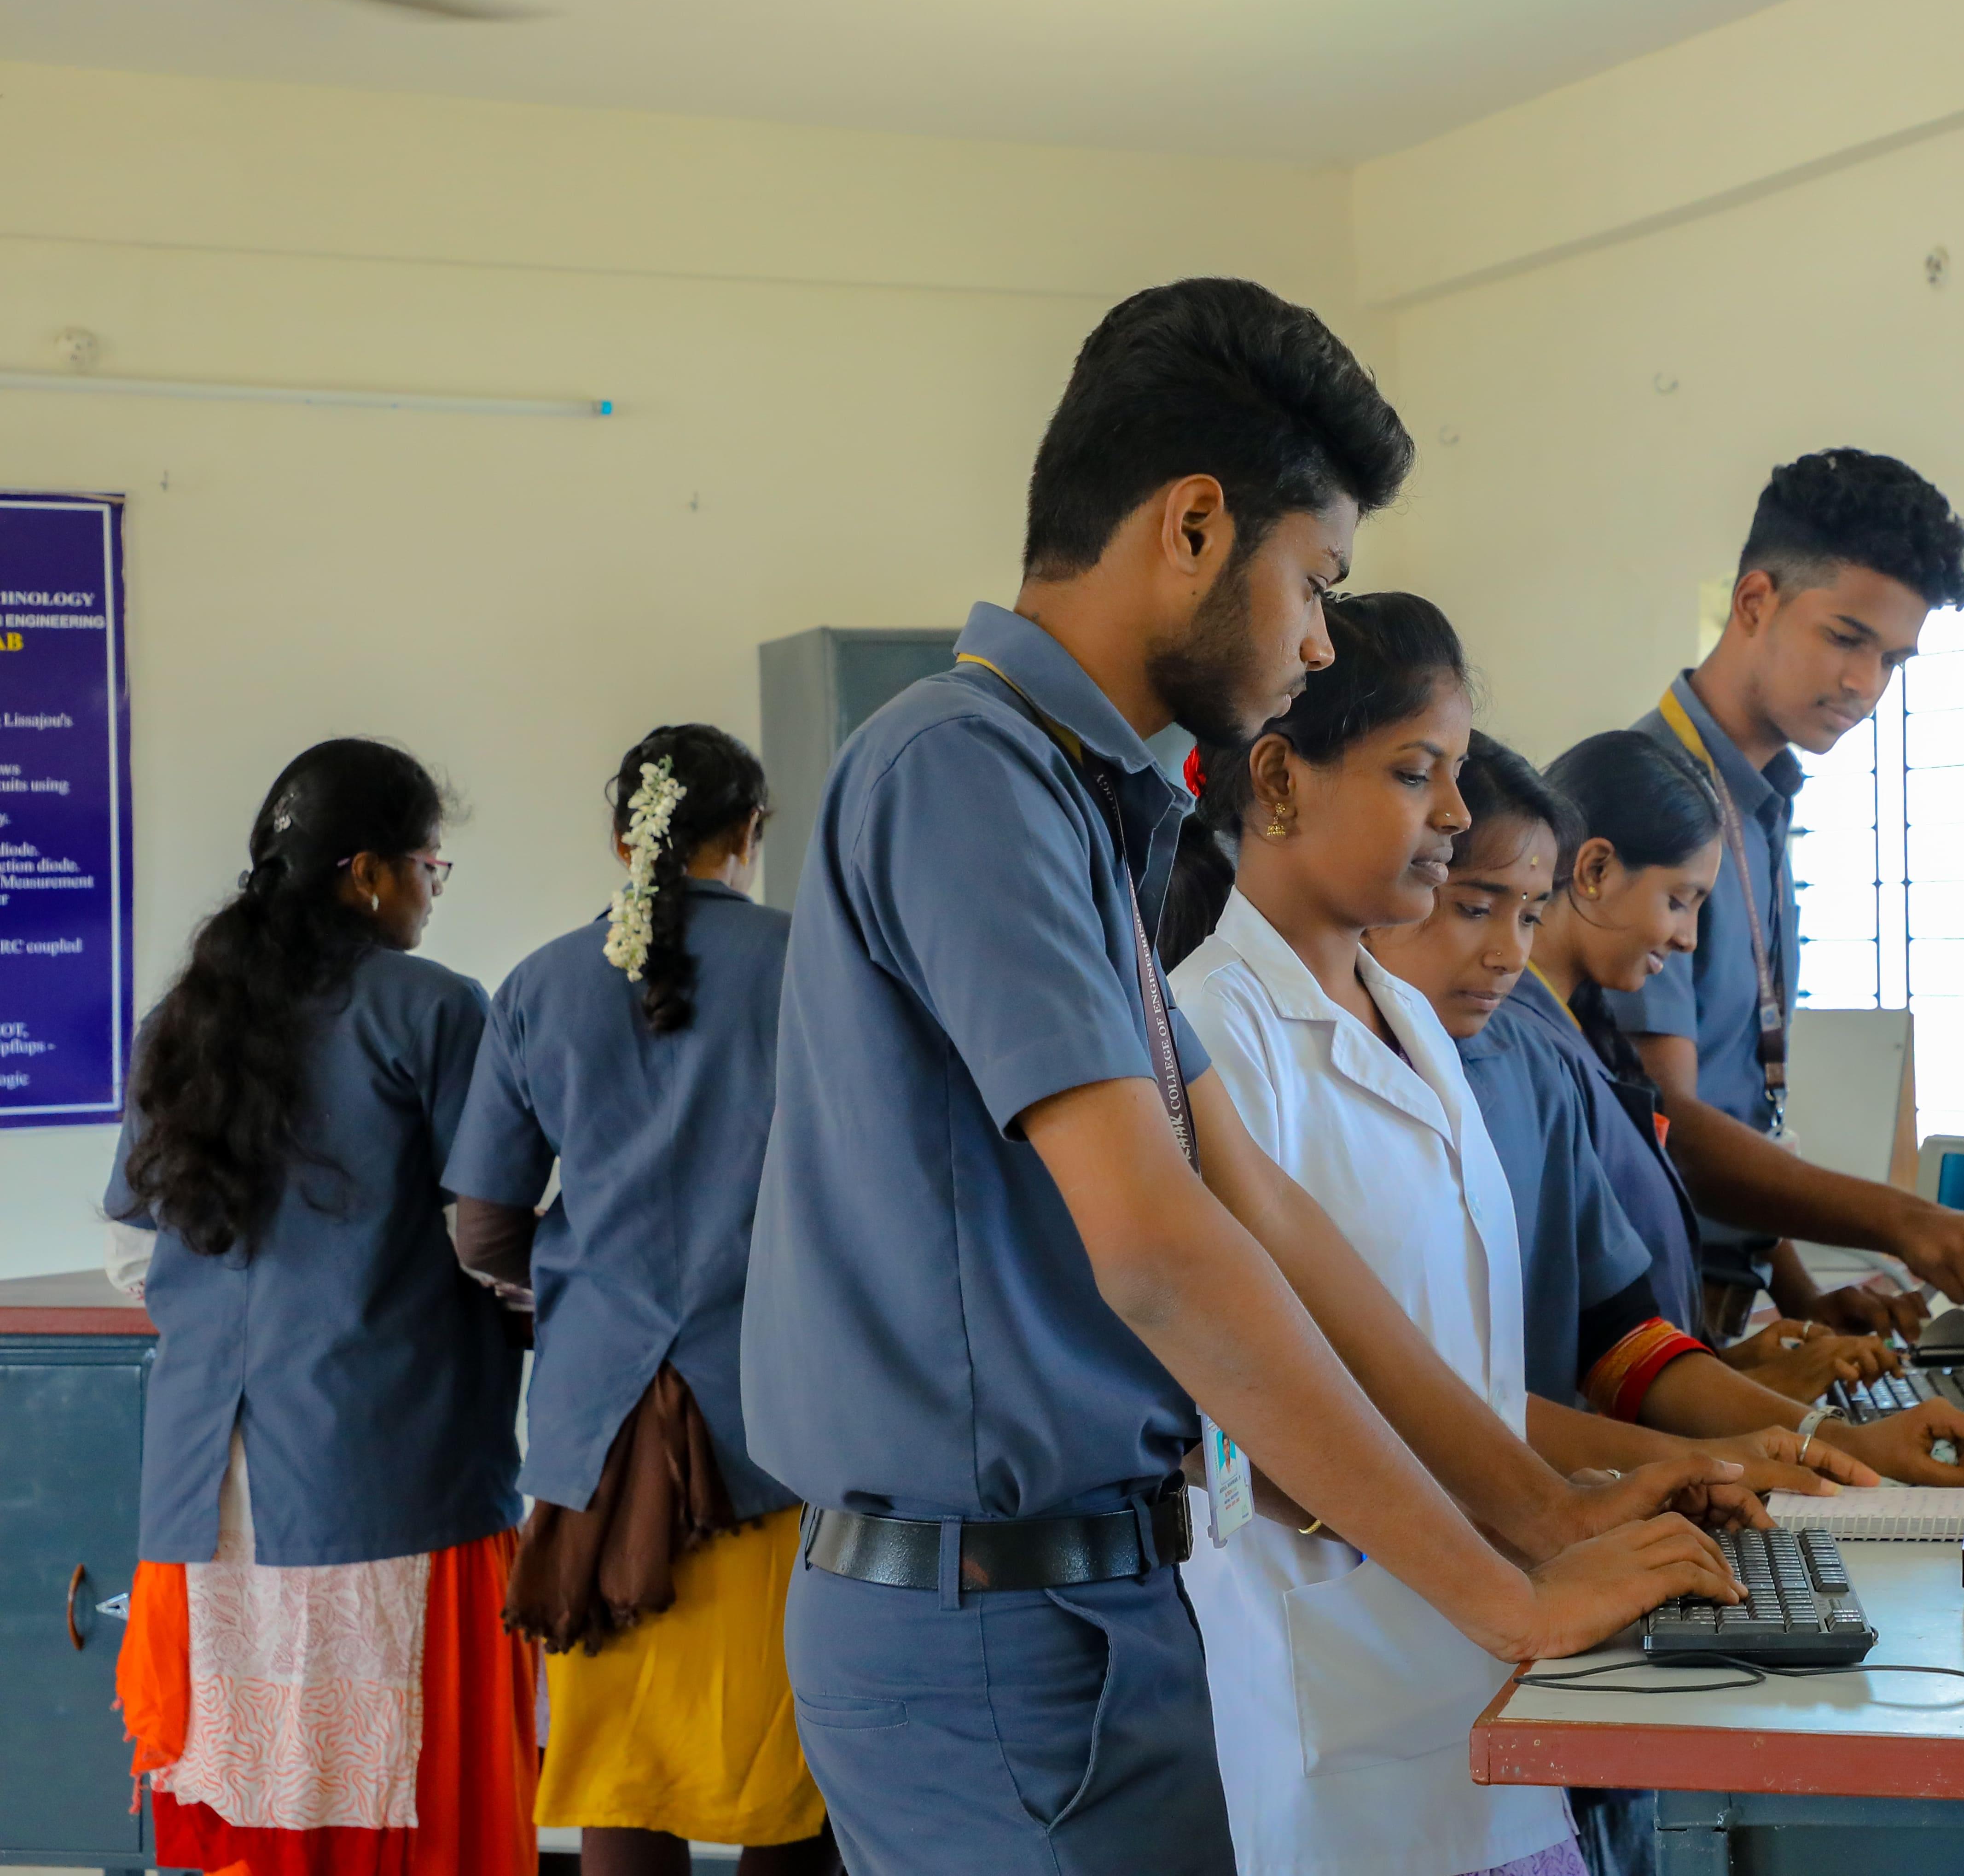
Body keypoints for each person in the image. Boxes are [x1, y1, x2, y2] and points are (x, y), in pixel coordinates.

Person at [741, 279, 1736, 1876]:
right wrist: (1503, 1591)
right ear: (1196, 529)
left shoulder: (1085, 807)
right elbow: (1159, 1248)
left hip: (1091, 1608)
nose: (1320, 639)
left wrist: (1546, 1519)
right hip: (991, 1622)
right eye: (1314, 582)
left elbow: (1254, 1209)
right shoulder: (963, 768)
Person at [1160, 594, 1813, 1876]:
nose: (1456, 816)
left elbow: (1453, 1373)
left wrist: (1573, 1500)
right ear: (1280, 782)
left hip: (1482, 1676)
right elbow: (1253, 1418)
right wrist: (1533, 1537)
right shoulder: (1210, 1033)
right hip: (1342, 1708)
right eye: (1419, 774)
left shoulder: (1417, 1029)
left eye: (1458, 777)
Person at [103, 738, 536, 1876]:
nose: (433, 893)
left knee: (252, 1805)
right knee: (400, 1808)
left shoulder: (185, 1018)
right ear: (366, 873)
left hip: (209, 1486)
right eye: (429, 867)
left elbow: (129, 1247)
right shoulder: (433, 1009)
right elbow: (492, 1235)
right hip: (380, 1470)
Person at [1380, 732, 1964, 1489]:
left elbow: (1616, 1336)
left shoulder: (1533, 1066)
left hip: (1555, 1494)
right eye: (1474, 907)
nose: (1509, 954)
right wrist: (1748, 1451)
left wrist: (1812, 1436)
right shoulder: (1361, 1070)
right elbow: (1419, 1403)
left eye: (1532, 917)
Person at [444, 725, 832, 1876]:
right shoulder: (811, 962)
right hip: (780, 1421)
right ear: (750, 836)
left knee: (624, 1770)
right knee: (793, 1765)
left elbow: (485, 1227)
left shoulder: (538, 985)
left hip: (595, 1439)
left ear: (624, 838)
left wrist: (571, 1306)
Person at [1620, 449, 1964, 1342]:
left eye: (1894, 657)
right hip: (1643, 1318)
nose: (1867, 683)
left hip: (1720, 1299)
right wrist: (1907, 1221)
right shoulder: (1647, 798)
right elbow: (1667, 1128)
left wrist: (1803, 1295)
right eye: (1846, 637)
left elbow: (1740, 1102)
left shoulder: (1759, 803)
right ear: (1755, 602)